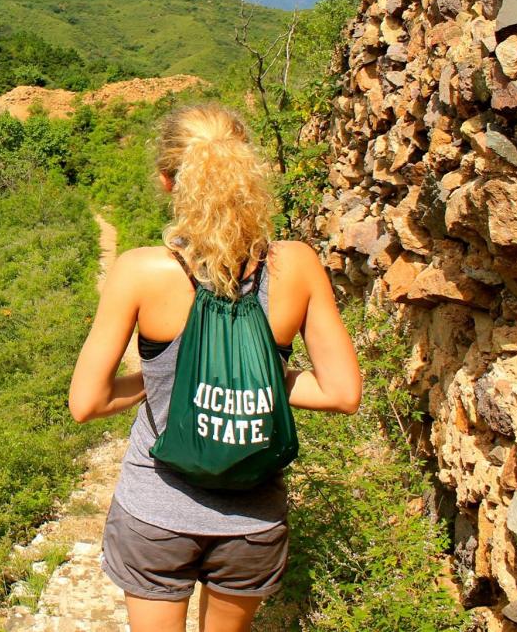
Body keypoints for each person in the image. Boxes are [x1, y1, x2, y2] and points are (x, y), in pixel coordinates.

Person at [68, 104, 362, 632]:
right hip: (252, 519)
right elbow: (341, 393)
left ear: (168, 181)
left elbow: (87, 403)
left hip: (156, 511)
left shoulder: (141, 271)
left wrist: (167, 380)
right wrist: (257, 375)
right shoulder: (297, 264)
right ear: (247, 171)